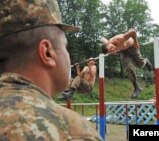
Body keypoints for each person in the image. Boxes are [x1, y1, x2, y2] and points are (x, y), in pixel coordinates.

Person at [0, 0, 102, 140]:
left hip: (88, 85)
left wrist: (90, 65)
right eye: (65, 47)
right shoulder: (73, 131)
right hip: (80, 84)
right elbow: (79, 76)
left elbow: (91, 76)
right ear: (47, 52)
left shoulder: (93, 67)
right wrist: (79, 67)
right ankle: (69, 91)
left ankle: (70, 91)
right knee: (74, 79)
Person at [101, 28, 153, 99]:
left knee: (140, 64)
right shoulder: (107, 44)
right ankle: (136, 87)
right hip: (123, 52)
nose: (112, 51)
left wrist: (136, 42)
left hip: (132, 47)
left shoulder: (119, 39)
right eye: (110, 51)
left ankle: (146, 61)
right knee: (128, 69)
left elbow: (133, 32)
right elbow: (102, 38)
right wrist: (110, 50)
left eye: (112, 49)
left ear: (111, 44)